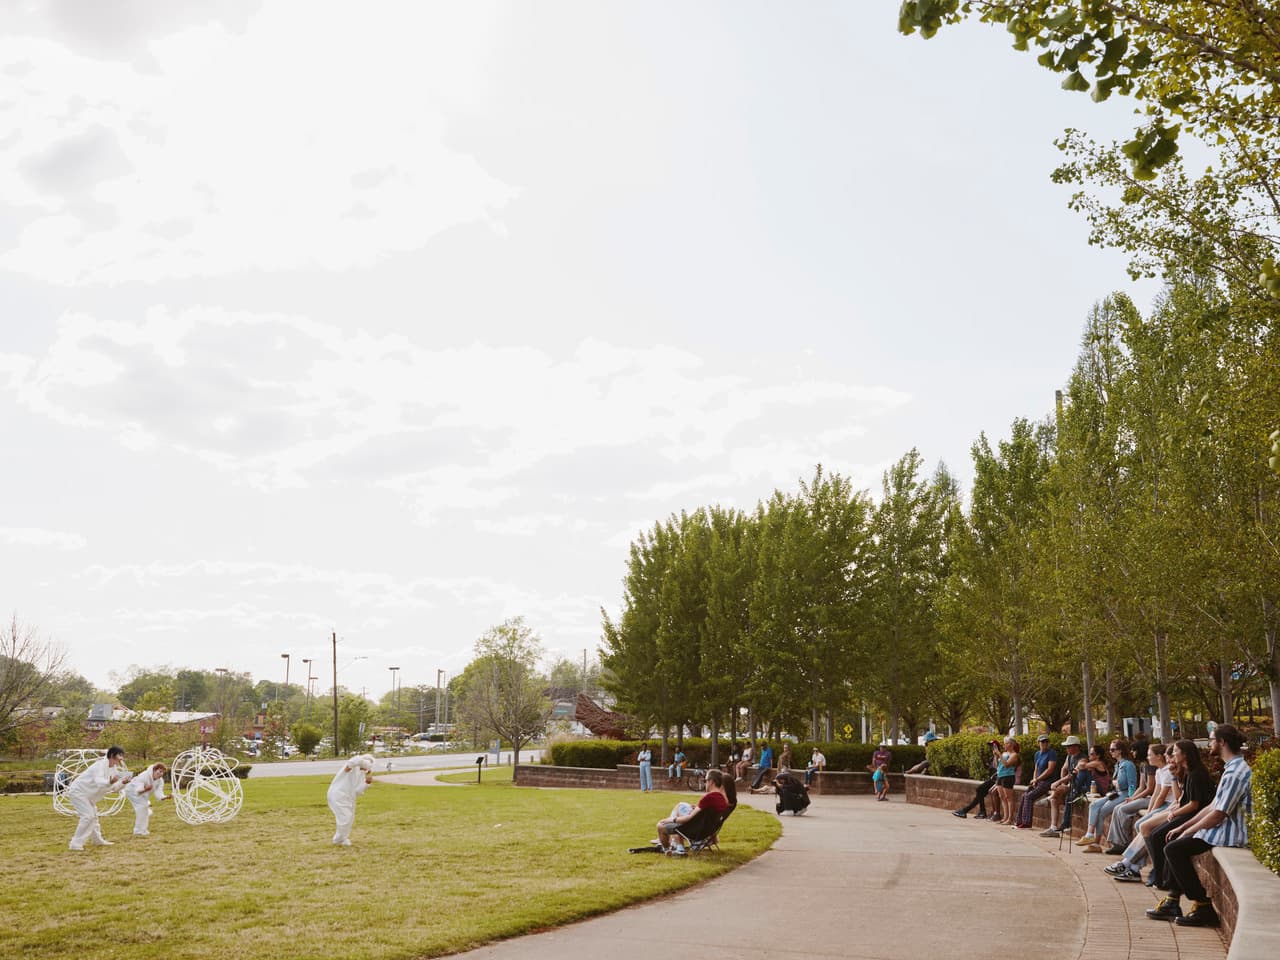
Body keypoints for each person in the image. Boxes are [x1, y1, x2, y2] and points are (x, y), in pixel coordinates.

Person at [1147, 724, 1252, 927]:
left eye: (1212, 739)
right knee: (1174, 842)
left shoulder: (1236, 773)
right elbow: (1212, 806)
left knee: (1174, 848)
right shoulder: (1231, 768)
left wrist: (1188, 829)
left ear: (1222, 742)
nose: (1210, 743)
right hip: (1222, 831)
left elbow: (1218, 814)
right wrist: (1183, 828)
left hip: (1231, 835)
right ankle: (1174, 900)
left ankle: (1203, 906)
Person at [1143, 739, 1214, 892]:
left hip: (1195, 815)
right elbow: (1182, 799)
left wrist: (1174, 813)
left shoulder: (1197, 774)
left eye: (1176, 751)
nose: (1173, 754)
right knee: (1155, 834)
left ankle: (1164, 880)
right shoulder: (1188, 772)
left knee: (1160, 837)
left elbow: (1194, 805)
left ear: (1185, 754)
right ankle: (1160, 875)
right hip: (1187, 812)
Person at [1105, 742, 1177, 882]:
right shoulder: (1159, 771)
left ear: (1159, 756)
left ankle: (1129, 864)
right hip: (1161, 805)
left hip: (1168, 805)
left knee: (1142, 826)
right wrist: (1150, 812)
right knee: (1141, 825)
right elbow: (1156, 794)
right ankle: (1133, 868)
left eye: (1150, 754)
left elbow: (1162, 796)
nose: (1148, 757)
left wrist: (1151, 813)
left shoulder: (1168, 771)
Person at [655, 768, 736, 855]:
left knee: (660, 825)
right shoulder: (723, 801)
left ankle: (669, 849)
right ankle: (677, 846)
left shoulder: (709, 798)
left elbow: (688, 818)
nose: (705, 783)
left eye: (705, 780)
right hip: (705, 831)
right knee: (682, 806)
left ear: (711, 782)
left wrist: (670, 819)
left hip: (693, 831)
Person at [67, 745, 131, 850]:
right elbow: (99, 782)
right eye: (119, 755)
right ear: (111, 755)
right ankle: (75, 843)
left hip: (89, 795)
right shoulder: (99, 765)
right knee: (88, 816)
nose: (121, 758)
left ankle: (97, 840)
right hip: (79, 792)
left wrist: (123, 783)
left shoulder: (114, 770)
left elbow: (114, 788)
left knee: (94, 817)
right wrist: (110, 781)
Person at [1078, 739, 1137, 850]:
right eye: (1110, 750)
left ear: (1120, 751)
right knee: (1094, 805)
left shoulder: (1128, 765)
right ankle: (1090, 835)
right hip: (1116, 793)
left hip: (1124, 795)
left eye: (1113, 749)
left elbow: (1132, 784)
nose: (1111, 752)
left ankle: (1096, 843)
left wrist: (1131, 798)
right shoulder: (1117, 765)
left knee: (1102, 812)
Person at [1040, 735, 1084, 837]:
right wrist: (1064, 783)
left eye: (1069, 746)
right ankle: (1053, 828)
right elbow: (1064, 769)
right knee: (1054, 800)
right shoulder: (1069, 756)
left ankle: (1049, 798)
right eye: (1067, 746)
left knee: (1059, 793)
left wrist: (1059, 782)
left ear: (1076, 746)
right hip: (1070, 786)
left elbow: (1073, 774)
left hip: (1080, 787)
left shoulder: (1082, 759)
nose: (1067, 748)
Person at [327, 753, 375, 846]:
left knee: (349, 819)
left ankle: (342, 838)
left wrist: (366, 783)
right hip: (338, 794)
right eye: (367, 765)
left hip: (348, 798)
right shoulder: (352, 766)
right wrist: (368, 767)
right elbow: (355, 760)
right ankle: (338, 840)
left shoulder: (361, 774)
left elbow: (357, 792)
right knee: (345, 817)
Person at [1015, 734, 1058, 828]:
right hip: (1038, 781)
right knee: (1024, 795)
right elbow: (1036, 769)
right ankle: (1019, 821)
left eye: (1047, 741)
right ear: (1038, 743)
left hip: (1048, 781)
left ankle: (1026, 823)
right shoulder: (1037, 754)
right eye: (1043, 742)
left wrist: (1038, 779)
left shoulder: (1052, 753)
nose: (1045, 743)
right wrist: (1035, 780)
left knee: (1029, 796)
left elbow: (1050, 770)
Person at [953, 739, 1001, 819]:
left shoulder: (1000, 756)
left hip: (995, 780)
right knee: (979, 794)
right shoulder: (992, 757)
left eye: (993, 746)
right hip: (991, 779)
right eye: (991, 746)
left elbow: (997, 768)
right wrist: (982, 758)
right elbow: (988, 768)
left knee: (979, 790)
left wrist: (996, 755)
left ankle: (975, 811)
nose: (991, 748)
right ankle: (970, 811)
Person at [126, 762, 168, 836]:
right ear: (154, 770)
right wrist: (145, 789)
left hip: (143, 794)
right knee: (142, 808)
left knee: (144, 808)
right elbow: (138, 791)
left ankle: (143, 830)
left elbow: (158, 792)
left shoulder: (160, 780)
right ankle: (138, 831)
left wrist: (164, 797)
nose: (161, 774)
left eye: (163, 772)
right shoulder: (144, 776)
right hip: (131, 791)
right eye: (160, 771)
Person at [994, 737, 1020, 824]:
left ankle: (1010, 819)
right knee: (1002, 797)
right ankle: (1005, 817)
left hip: (1008, 776)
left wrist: (999, 754)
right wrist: (995, 755)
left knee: (1009, 798)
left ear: (1011, 744)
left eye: (1006, 743)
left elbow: (1006, 765)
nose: (1004, 745)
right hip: (1000, 776)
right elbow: (996, 765)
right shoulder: (1004, 753)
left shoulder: (1014, 755)